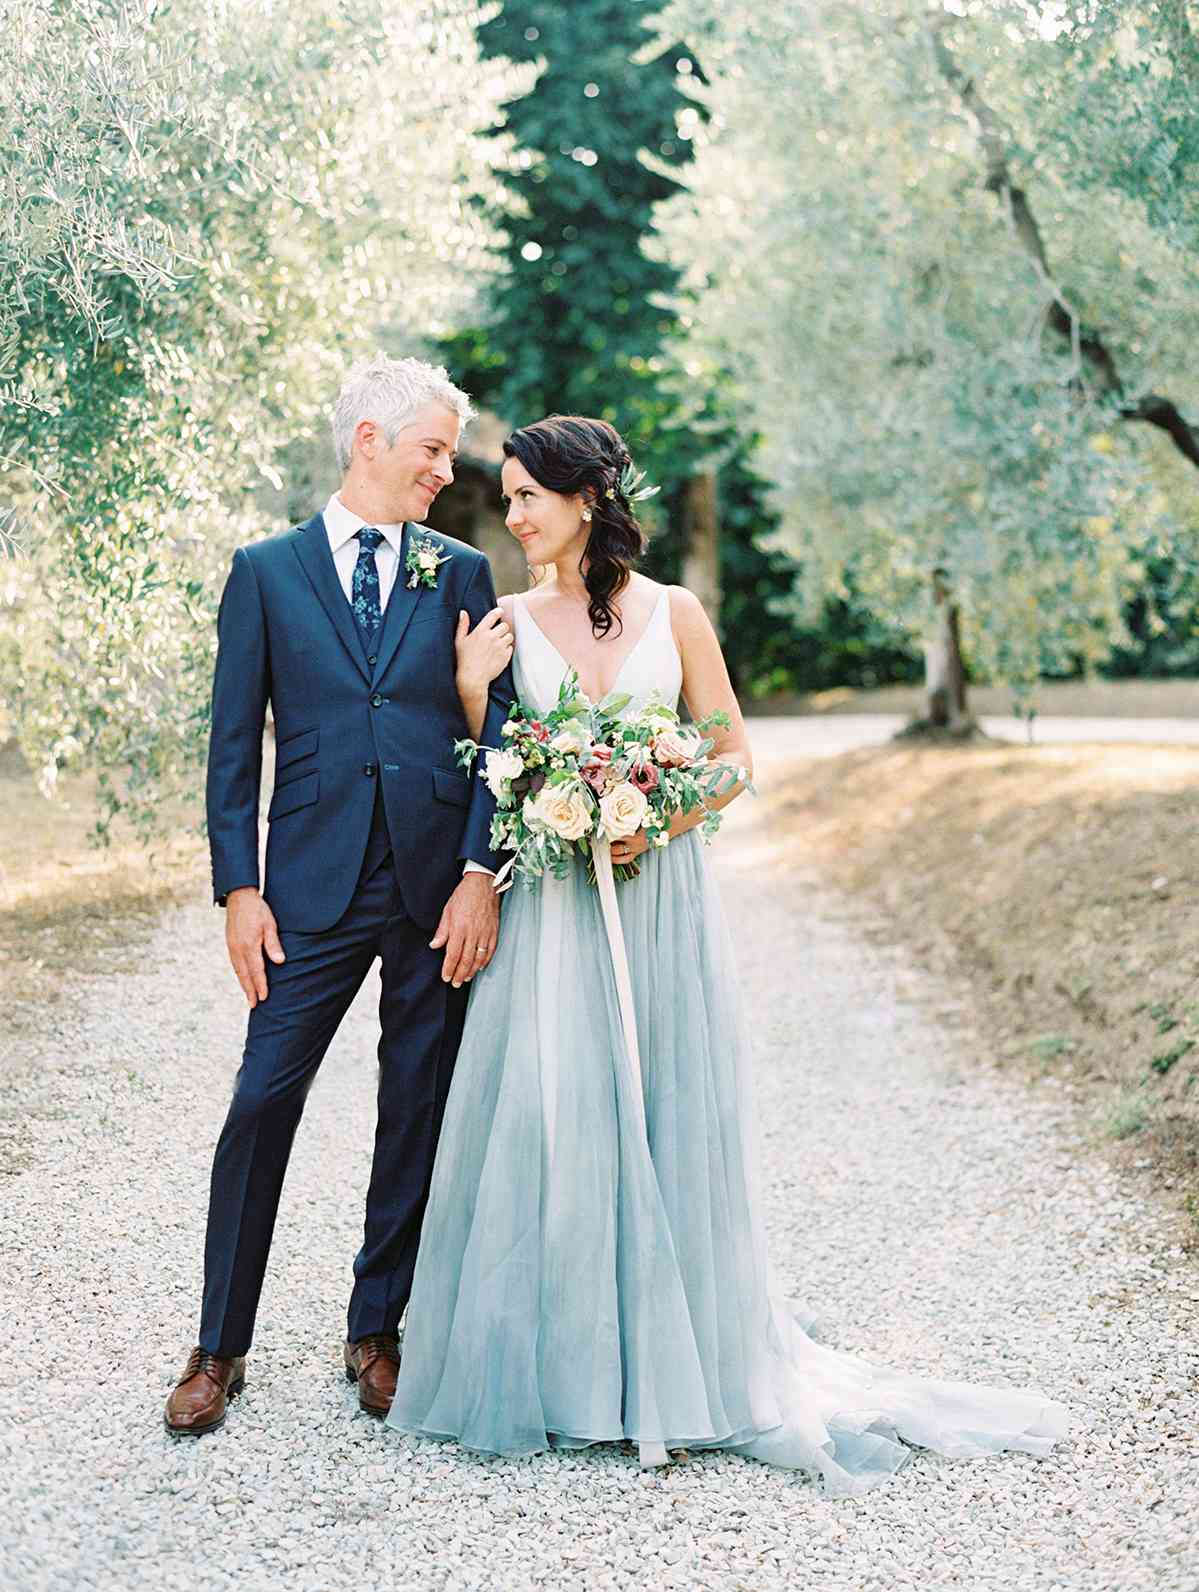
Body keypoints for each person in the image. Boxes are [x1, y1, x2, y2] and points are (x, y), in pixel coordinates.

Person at [386, 414, 1072, 1493]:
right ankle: (567, 1371)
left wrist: (649, 816)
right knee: (554, 1114)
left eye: (525, 495)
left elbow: (731, 753)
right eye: (506, 495)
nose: (509, 515)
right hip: (559, 911)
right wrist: (475, 695)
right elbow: (487, 767)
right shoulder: (504, 621)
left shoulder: (676, 613)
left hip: (658, 899)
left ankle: (678, 1357)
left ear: (584, 501)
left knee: (666, 1109)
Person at [164, 355, 515, 1436]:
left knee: (416, 1103)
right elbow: (233, 747)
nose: (445, 468)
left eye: (448, 452)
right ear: (370, 437)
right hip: (308, 888)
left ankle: (378, 1326)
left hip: (428, 885)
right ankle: (219, 1345)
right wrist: (238, 887)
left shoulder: (457, 571)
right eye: (432, 448)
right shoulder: (265, 573)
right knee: (260, 1101)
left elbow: (493, 732)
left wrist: (475, 874)